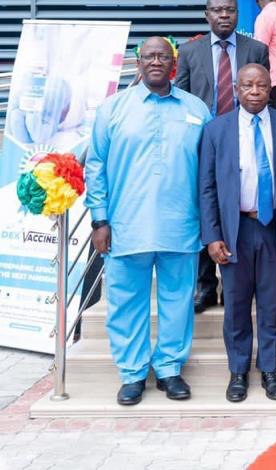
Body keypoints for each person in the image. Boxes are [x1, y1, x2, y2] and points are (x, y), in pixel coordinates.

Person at [85, 37, 211, 406]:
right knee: (126, 302)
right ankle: (132, 373)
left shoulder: (197, 109)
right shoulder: (113, 110)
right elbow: (95, 167)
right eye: (149, 56)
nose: (156, 61)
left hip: (181, 224)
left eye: (163, 56)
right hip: (126, 225)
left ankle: (170, 369)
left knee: (177, 300)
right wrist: (99, 220)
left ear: (174, 62)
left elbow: (210, 171)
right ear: (137, 62)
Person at [198, 64, 276, 403]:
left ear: (270, 87)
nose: (256, 91)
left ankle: (271, 369)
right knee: (235, 304)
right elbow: (206, 188)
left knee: (272, 304)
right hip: (235, 230)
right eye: (248, 85)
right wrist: (212, 236)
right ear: (237, 87)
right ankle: (239, 371)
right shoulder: (217, 130)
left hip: (274, 228)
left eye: (262, 85)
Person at [175, 0, 271, 315]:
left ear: (237, 14)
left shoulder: (256, 49)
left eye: (229, 10)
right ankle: (205, 284)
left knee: (237, 210)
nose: (224, 16)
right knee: (207, 207)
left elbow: (264, 93)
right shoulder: (189, 52)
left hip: (245, 140)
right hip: (204, 141)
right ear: (207, 15)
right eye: (217, 11)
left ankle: (236, 285)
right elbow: (181, 99)